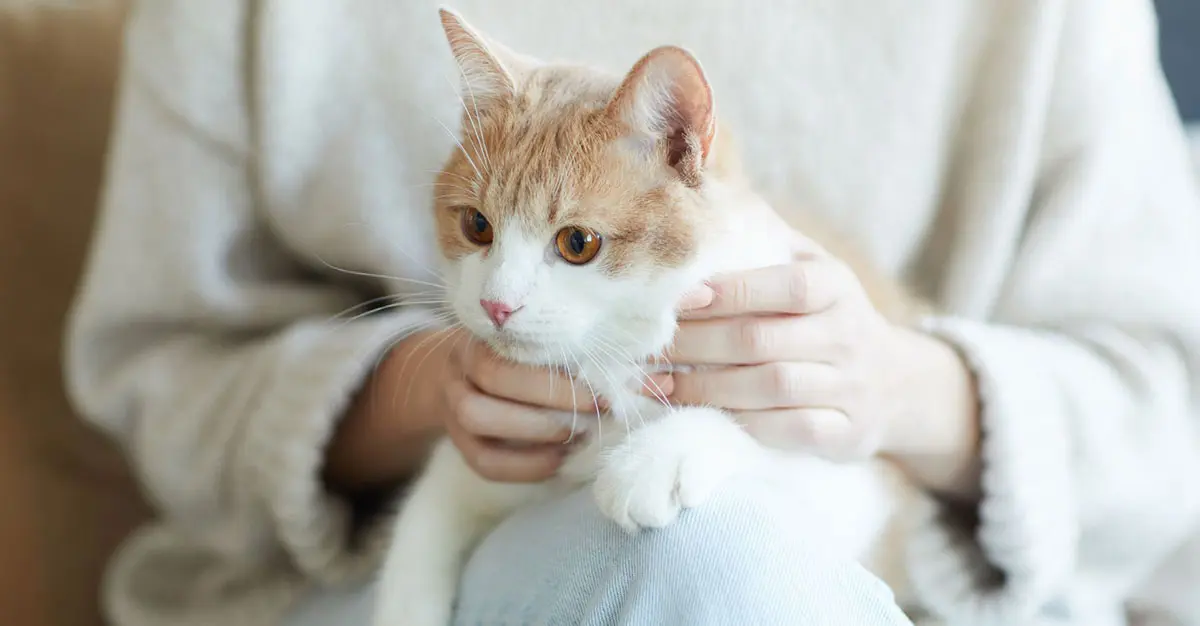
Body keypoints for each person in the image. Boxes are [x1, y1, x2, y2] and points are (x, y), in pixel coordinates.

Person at [64, 0, 1200, 625]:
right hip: (357, 577)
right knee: (698, 561)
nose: (504, 286)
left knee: (710, 550)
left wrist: (905, 391)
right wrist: (408, 390)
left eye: (567, 242)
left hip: (879, 557)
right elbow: (156, 367)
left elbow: (1172, 410)